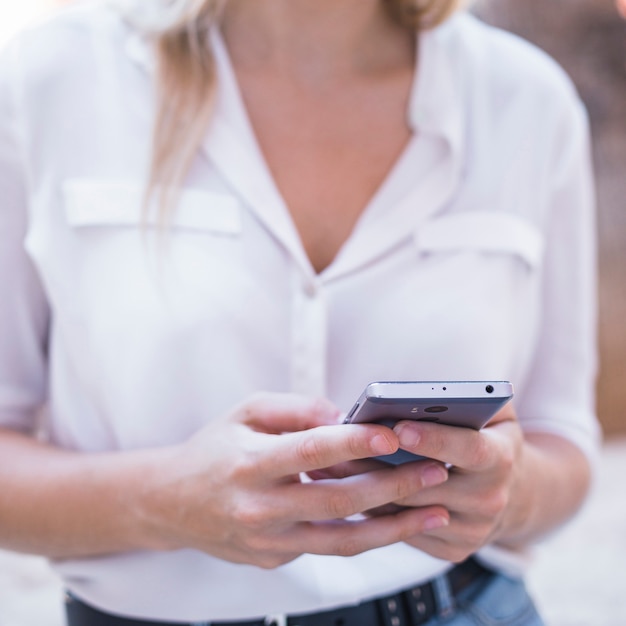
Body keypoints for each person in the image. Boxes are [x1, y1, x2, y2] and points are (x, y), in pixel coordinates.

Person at [0, 0, 600, 625]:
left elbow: (562, 440)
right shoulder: (51, 78)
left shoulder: (527, 100)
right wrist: (163, 501)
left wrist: (507, 491)